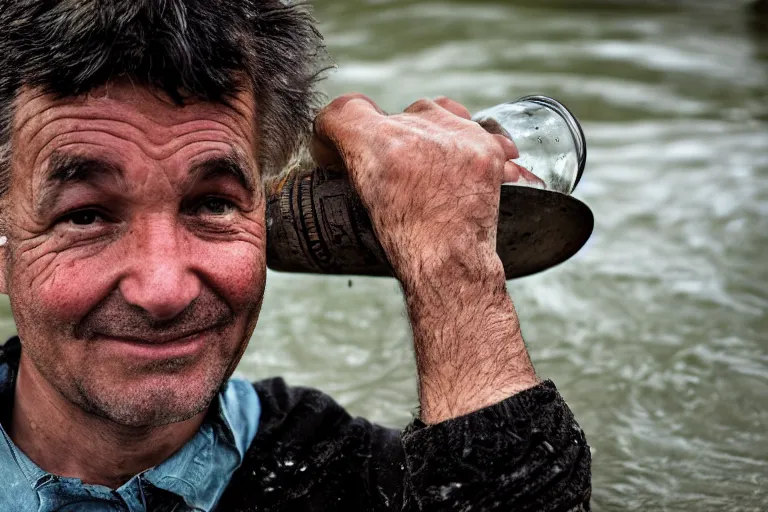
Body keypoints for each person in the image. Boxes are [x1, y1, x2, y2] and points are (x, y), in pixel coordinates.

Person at [0, 1, 591, 510]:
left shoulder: (354, 479)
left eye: (212, 205)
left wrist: (449, 260)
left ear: (266, 213)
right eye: (85, 215)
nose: (164, 289)